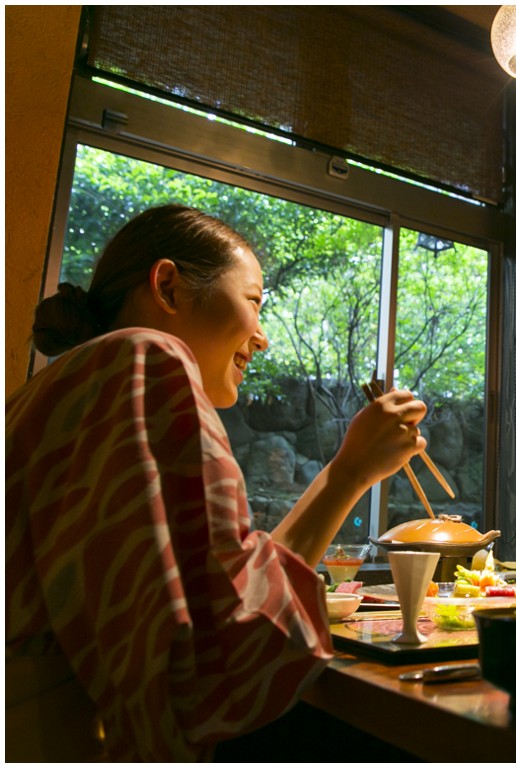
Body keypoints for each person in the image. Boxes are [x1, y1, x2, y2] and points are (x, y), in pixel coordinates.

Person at [6, 205, 428, 761]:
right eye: (254, 301)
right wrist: (349, 472)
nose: (263, 337)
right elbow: (224, 657)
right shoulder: (144, 358)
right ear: (168, 286)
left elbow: (219, 600)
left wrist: (352, 470)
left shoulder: (50, 390)